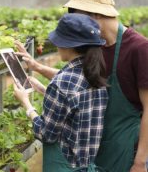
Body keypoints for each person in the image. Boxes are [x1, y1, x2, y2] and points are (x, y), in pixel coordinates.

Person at [15, 0, 148, 172]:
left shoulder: (139, 48)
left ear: (96, 14)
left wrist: (141, 162)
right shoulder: (94, 45)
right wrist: (37, 67)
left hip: (127, 150)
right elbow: (81, 83)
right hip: (95, 149)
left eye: (76, 16)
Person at [14, 13, 108, 171]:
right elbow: (74, 106)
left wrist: (26, 104)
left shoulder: (62, 83)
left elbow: (46, 134)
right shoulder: (96, 74)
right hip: (87, 164)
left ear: (69, 45)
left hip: (65, 166)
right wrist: (44, 90)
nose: (57, 46)